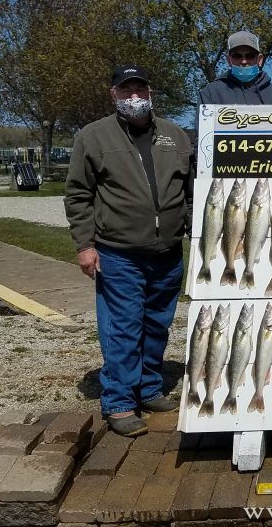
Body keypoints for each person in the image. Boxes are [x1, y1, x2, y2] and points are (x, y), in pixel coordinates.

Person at [65, 65, 193, 437]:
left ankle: (148, 387)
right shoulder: (93, 137)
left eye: (139, 89)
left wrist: (190, 229)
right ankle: (119, 401)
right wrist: (85, 245)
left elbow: (187, 191)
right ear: (114, 95)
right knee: (123, 327)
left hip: (168, 251)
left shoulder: (175, 135)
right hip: (119, 252)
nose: (133, 97)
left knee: (157, 324)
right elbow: (78, 195)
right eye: (125, 91)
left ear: (151, 92)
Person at [199, 31, 272, 105]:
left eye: (250, 56)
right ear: (229, 60)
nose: (244, 61)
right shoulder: (210, 93)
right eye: (237, 56)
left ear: (260, 59)